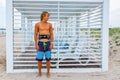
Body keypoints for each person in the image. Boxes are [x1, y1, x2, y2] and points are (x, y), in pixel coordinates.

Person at [34, 11, 54, 78]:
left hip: (48, 43)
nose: (47, 17)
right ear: (43, 16)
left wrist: (51, 43)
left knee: (48, 59)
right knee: (39, 59)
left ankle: (48, 72)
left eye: (48, 16)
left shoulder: (50, 24)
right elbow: (35, 34)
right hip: (40, 43)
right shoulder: (37, 24)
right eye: (46, 16)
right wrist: (36, 44)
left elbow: (51, 34)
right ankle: (39, 72)